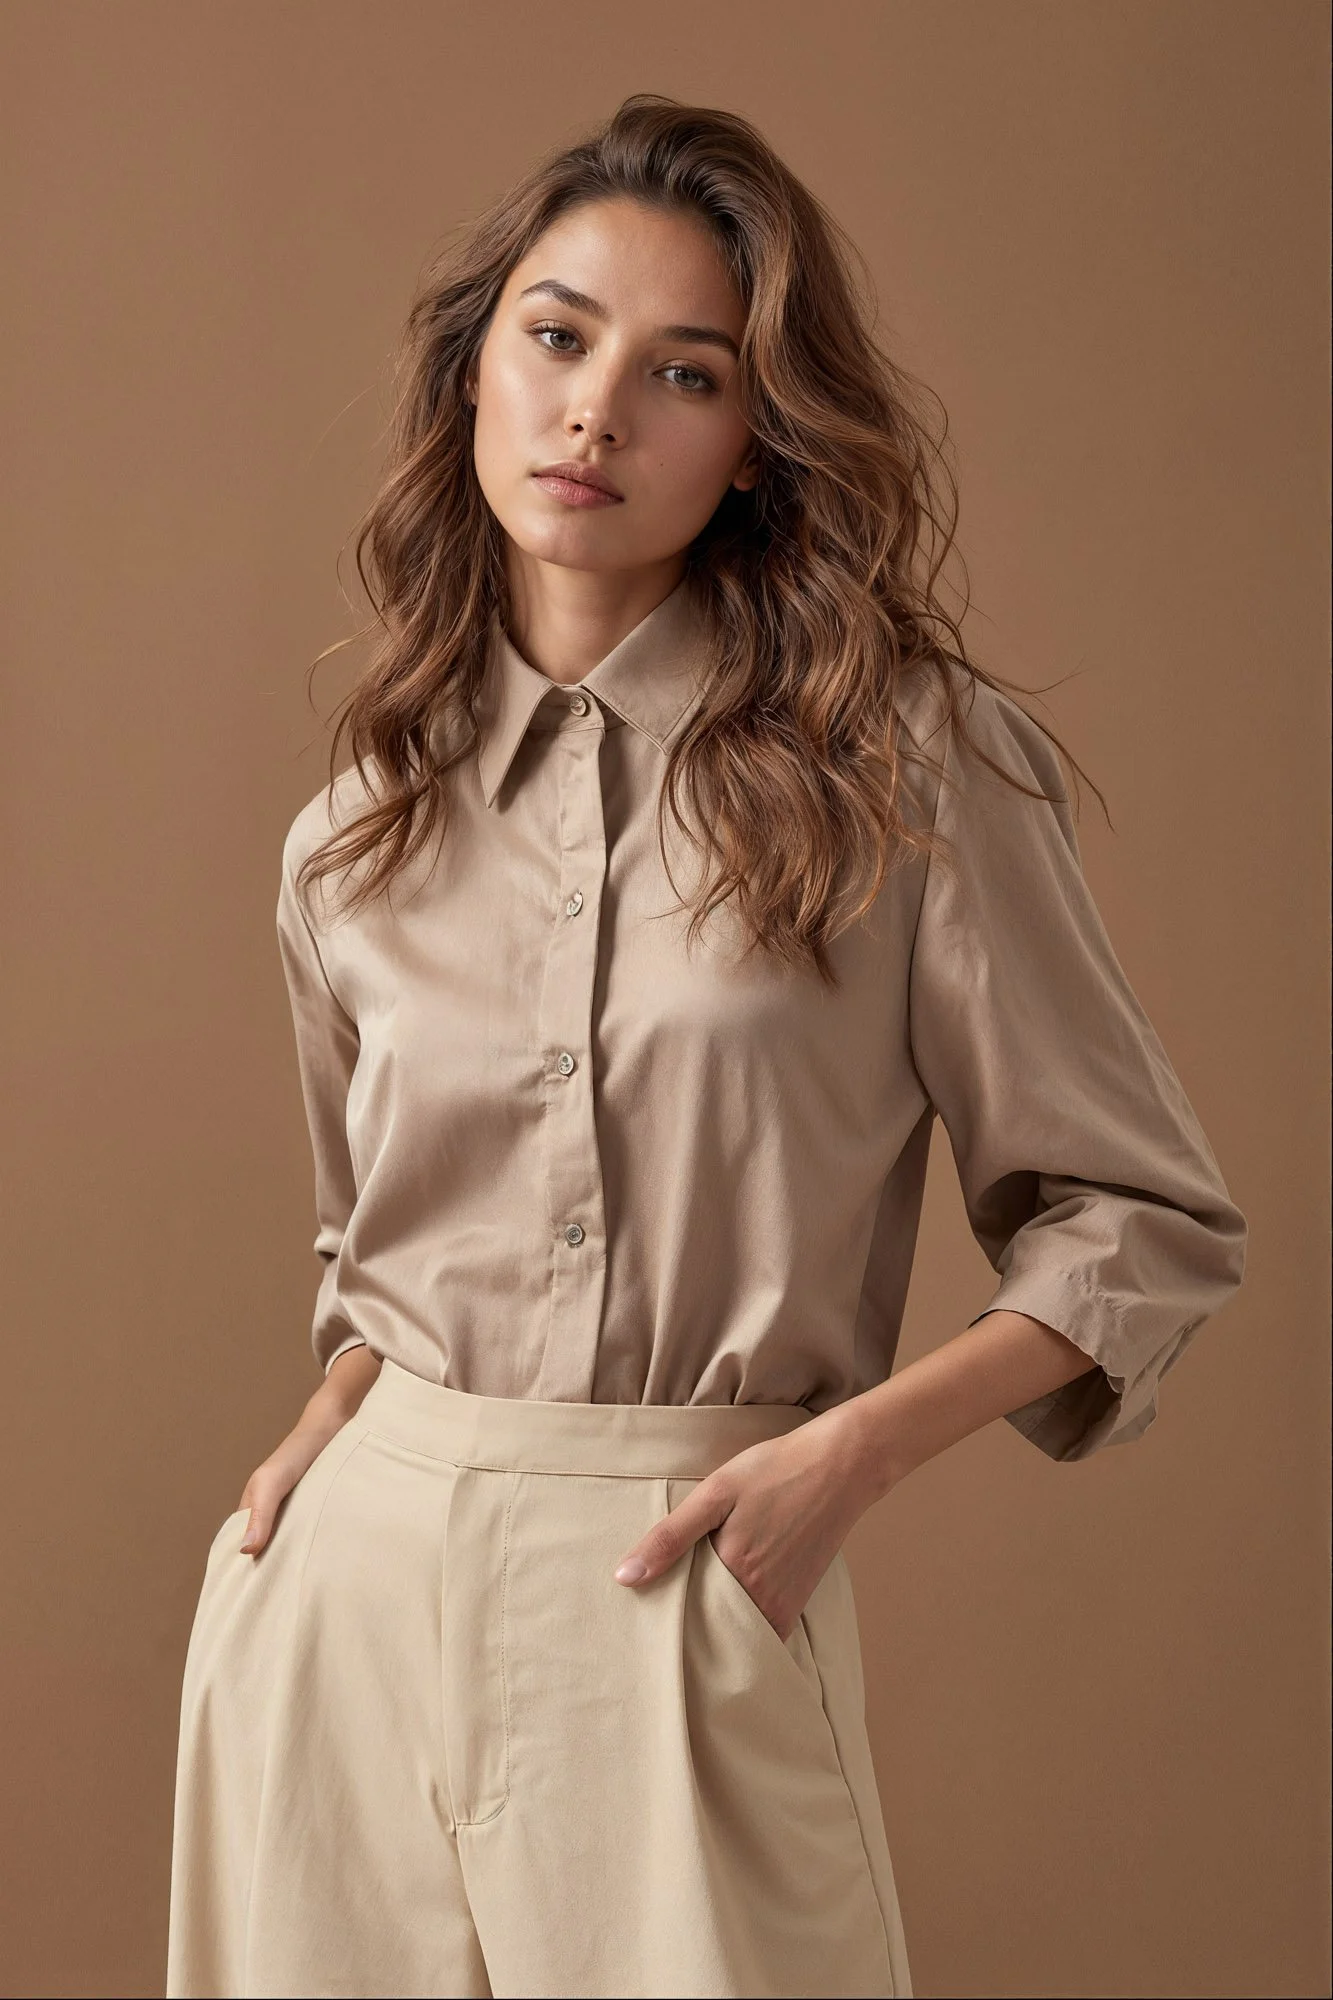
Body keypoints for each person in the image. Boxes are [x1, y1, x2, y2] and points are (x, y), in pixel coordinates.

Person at [165, 92, 1248, 2000]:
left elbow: (1140, 1220)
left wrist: (847, 1459)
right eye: (558, 336)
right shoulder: (359, 828)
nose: (597, 411)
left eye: (684, 373)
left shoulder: (905, 767)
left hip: (682, 1580)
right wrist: (339, 1408)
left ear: (754, 448)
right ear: (477, 367)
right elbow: (369, 1243)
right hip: (334, 1610)